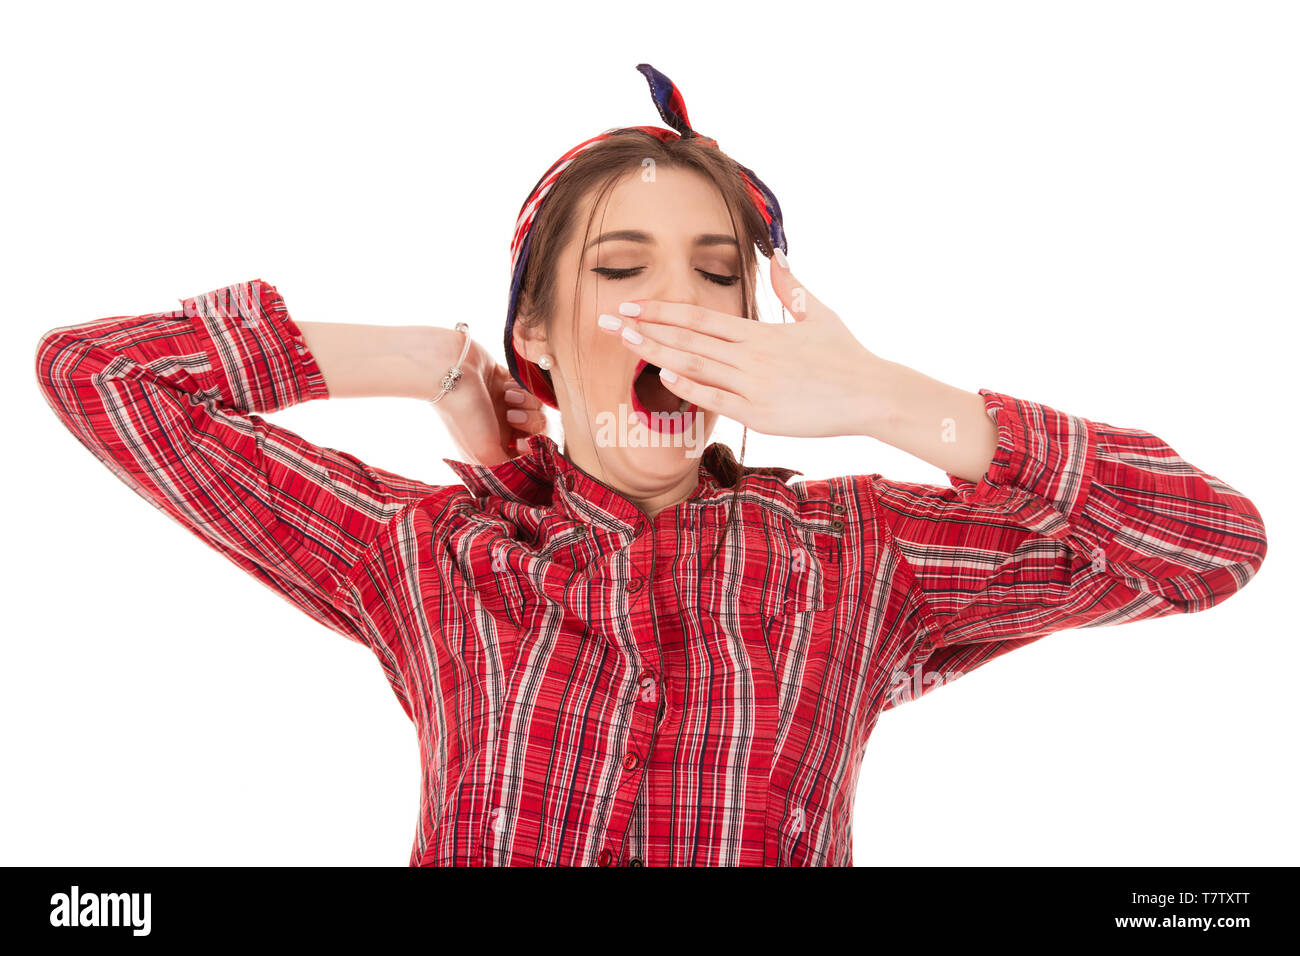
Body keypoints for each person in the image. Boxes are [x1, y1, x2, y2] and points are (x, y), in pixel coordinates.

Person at [34, 64, 1268, 867]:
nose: (677, 303)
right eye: (620, 271)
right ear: (543, 332)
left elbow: (1209, 545)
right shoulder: (430, 556)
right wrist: (432, 361)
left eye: (718, 275)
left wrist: (887, 399)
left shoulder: (860, 552)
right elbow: (102, 379)